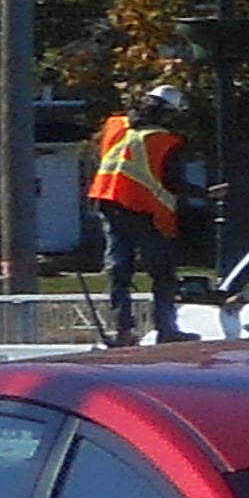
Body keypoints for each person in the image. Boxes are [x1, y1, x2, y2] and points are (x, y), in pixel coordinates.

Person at [85, 88, 187, 346]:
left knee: (119, 269)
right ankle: (166, 328)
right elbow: (173, 183)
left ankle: (122, 331)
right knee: (162, 272)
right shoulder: (164, 141)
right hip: (144, 209)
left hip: (109, 201)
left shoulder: (116, 127)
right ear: (167, 113)